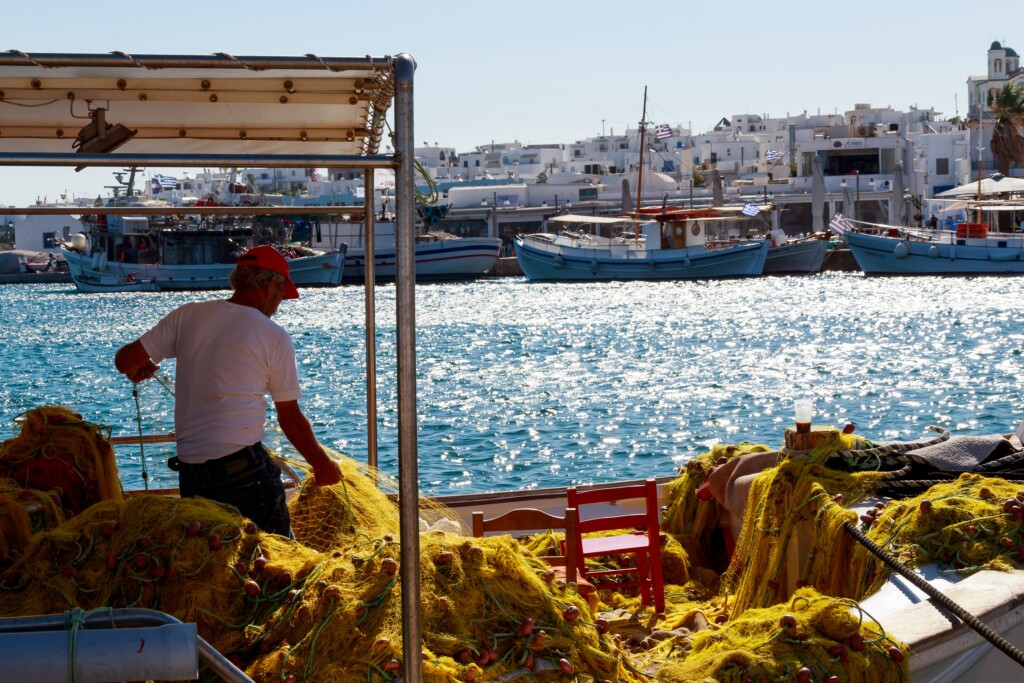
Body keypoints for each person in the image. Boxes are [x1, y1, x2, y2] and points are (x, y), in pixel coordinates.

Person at [114, 246, 342, 535]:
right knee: (277, 560)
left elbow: (124, 361)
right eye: (282, 296)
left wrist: (143, 365)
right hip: (243, 473)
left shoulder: (188, 315)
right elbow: (289, 417)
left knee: (215, 559)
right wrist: (322, 465)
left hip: (192, 474)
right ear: (271, 286)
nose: (278, 305)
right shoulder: (274, 336)